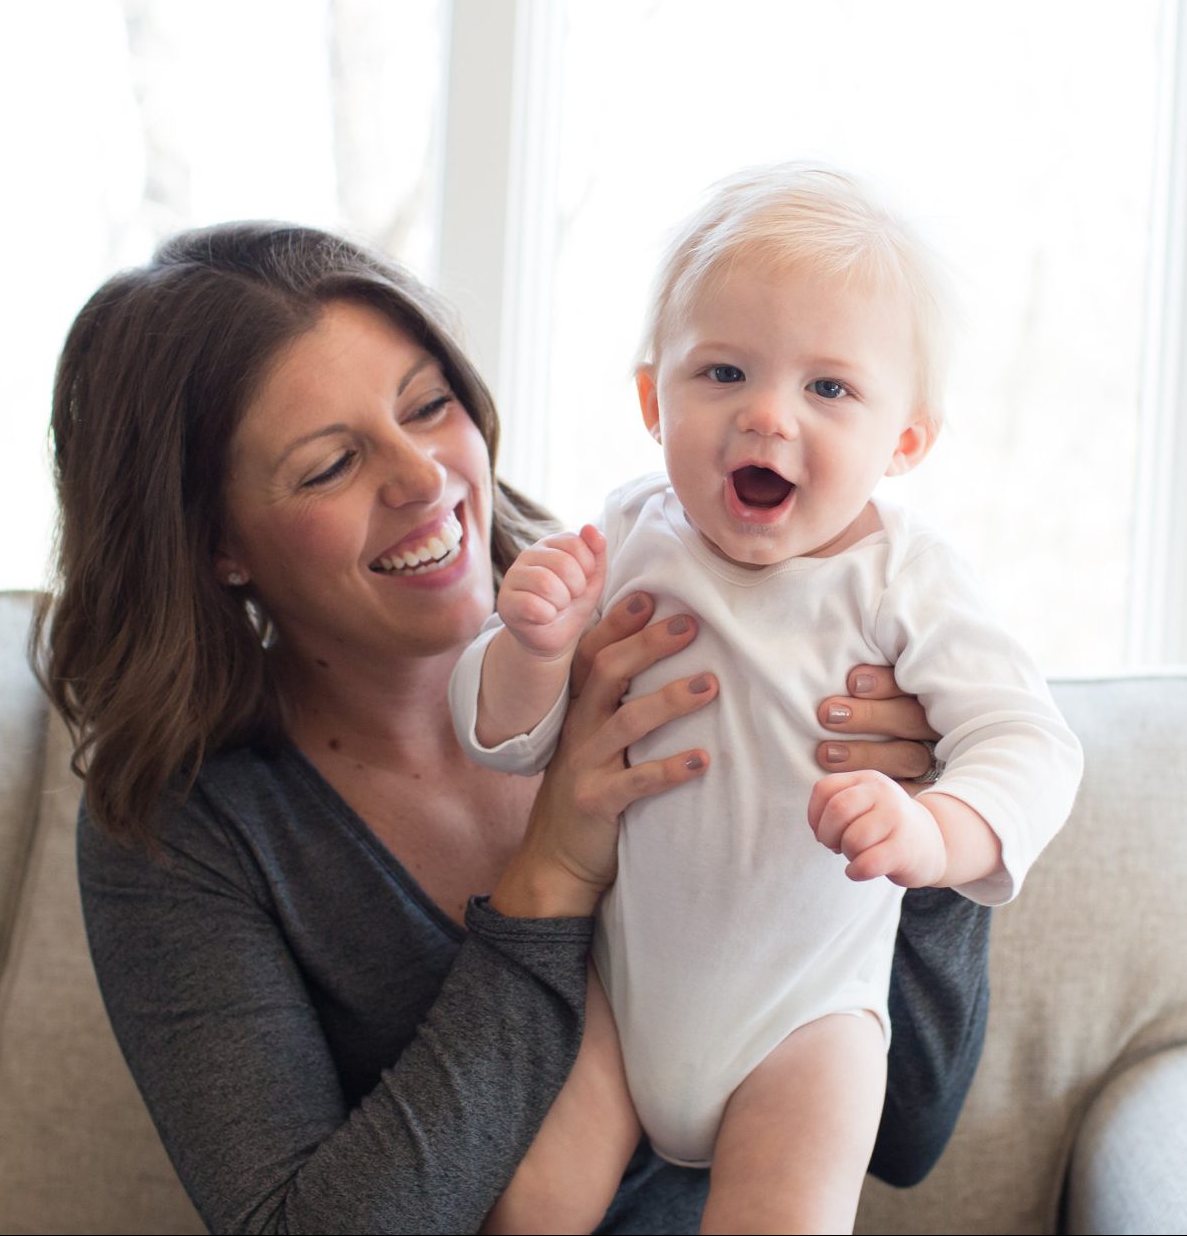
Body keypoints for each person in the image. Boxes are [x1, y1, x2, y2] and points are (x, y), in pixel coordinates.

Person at [33, 219, 995, 1235]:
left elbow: (910, 1135)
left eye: (429, 405)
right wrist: (551, 881)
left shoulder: (678, 603)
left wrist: (923, 826)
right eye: (328, 466)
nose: (422, 478)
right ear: (216, 542)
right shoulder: (191, 829)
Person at [451, 165, 1083, 1233]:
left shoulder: (903, 581)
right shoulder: (635, 532)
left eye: (829, 389)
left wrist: (932, 830)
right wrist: (533, 645)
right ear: (655, 401)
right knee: (530, 1206)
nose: (767, 415)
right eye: (725, 371)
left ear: (907, 441)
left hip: (808, 1021)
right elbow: (505, 738)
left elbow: (1031, 742)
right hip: (623, 992)